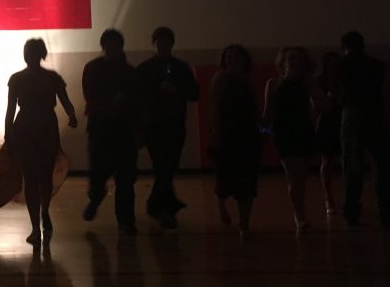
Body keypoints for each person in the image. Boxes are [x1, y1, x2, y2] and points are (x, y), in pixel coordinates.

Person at [0, 38, 78, 246]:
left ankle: (41, 217)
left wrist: (72, 115)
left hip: (34, 127)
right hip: (37, 128)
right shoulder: (42, 78)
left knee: (39, 177)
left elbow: (12, 109)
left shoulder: (27, 78)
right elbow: (10, 108)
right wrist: (8, 134)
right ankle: (37, 222)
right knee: (33, 177)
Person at [133, 27, 199, 229]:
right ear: (154, 44)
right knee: (164, 166)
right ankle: (165, 209)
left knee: (168, 166)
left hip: (175, 123)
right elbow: (137, 100)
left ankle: (159, 205)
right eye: (159, 42)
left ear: (171, 44)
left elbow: (195, 93)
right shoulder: (145, 69)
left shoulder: (180, 67)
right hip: (153, 125)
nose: (162, 45)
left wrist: (176, 90)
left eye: (166, 42)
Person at [81, 29, 138, 235]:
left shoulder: (130, 73)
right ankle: (96, 197)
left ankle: (126, 221)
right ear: (104, 46)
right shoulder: (94, 69)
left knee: (125, 178)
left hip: (121, 129)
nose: (112, 49)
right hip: (101, 128)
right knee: (98, 173)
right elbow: (90, 96)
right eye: (109, 45)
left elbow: (135, 104)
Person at [263, 46, 326, 232]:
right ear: (282, 62)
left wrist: (319, 96)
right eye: (289, 57)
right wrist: (264, 134)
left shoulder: (308, 82)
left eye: (297, 58)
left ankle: (300, 211)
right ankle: (299, 215)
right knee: (293, 175)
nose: (292, 60)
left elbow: (321, 105)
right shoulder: (273, 83)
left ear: (304, 63)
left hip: (302, 130)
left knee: (300, 176)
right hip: (283, 132)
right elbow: (268, 113)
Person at [336, 31, 390, 227]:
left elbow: (341, 92)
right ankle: (386, 212)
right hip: (376, 114)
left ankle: (352, 212)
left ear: (344, 47)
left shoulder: (342, 65)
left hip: (352, 115)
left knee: (352, 165)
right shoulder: (376, 64)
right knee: (381, 165)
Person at [208, 45, 261, 236]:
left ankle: (244, 222)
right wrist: (216, 130)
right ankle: (221, 203)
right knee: (224, 176)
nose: (232, 60)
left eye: (235, 57)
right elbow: (214, 105)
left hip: (247, 134)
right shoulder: (220, 79)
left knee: (247, 180)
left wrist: (263, 129)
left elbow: (256, 109)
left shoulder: (249, 81)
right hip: (227, 133)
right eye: (228, 57)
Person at [316, 52, 343, 216]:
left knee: (346, 159)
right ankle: (328, 196)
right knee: (327, 161)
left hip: (343, 121)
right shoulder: (320, 81)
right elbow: (316, 105)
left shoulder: (344, 80)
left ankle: (348, 195)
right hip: (328, 122)